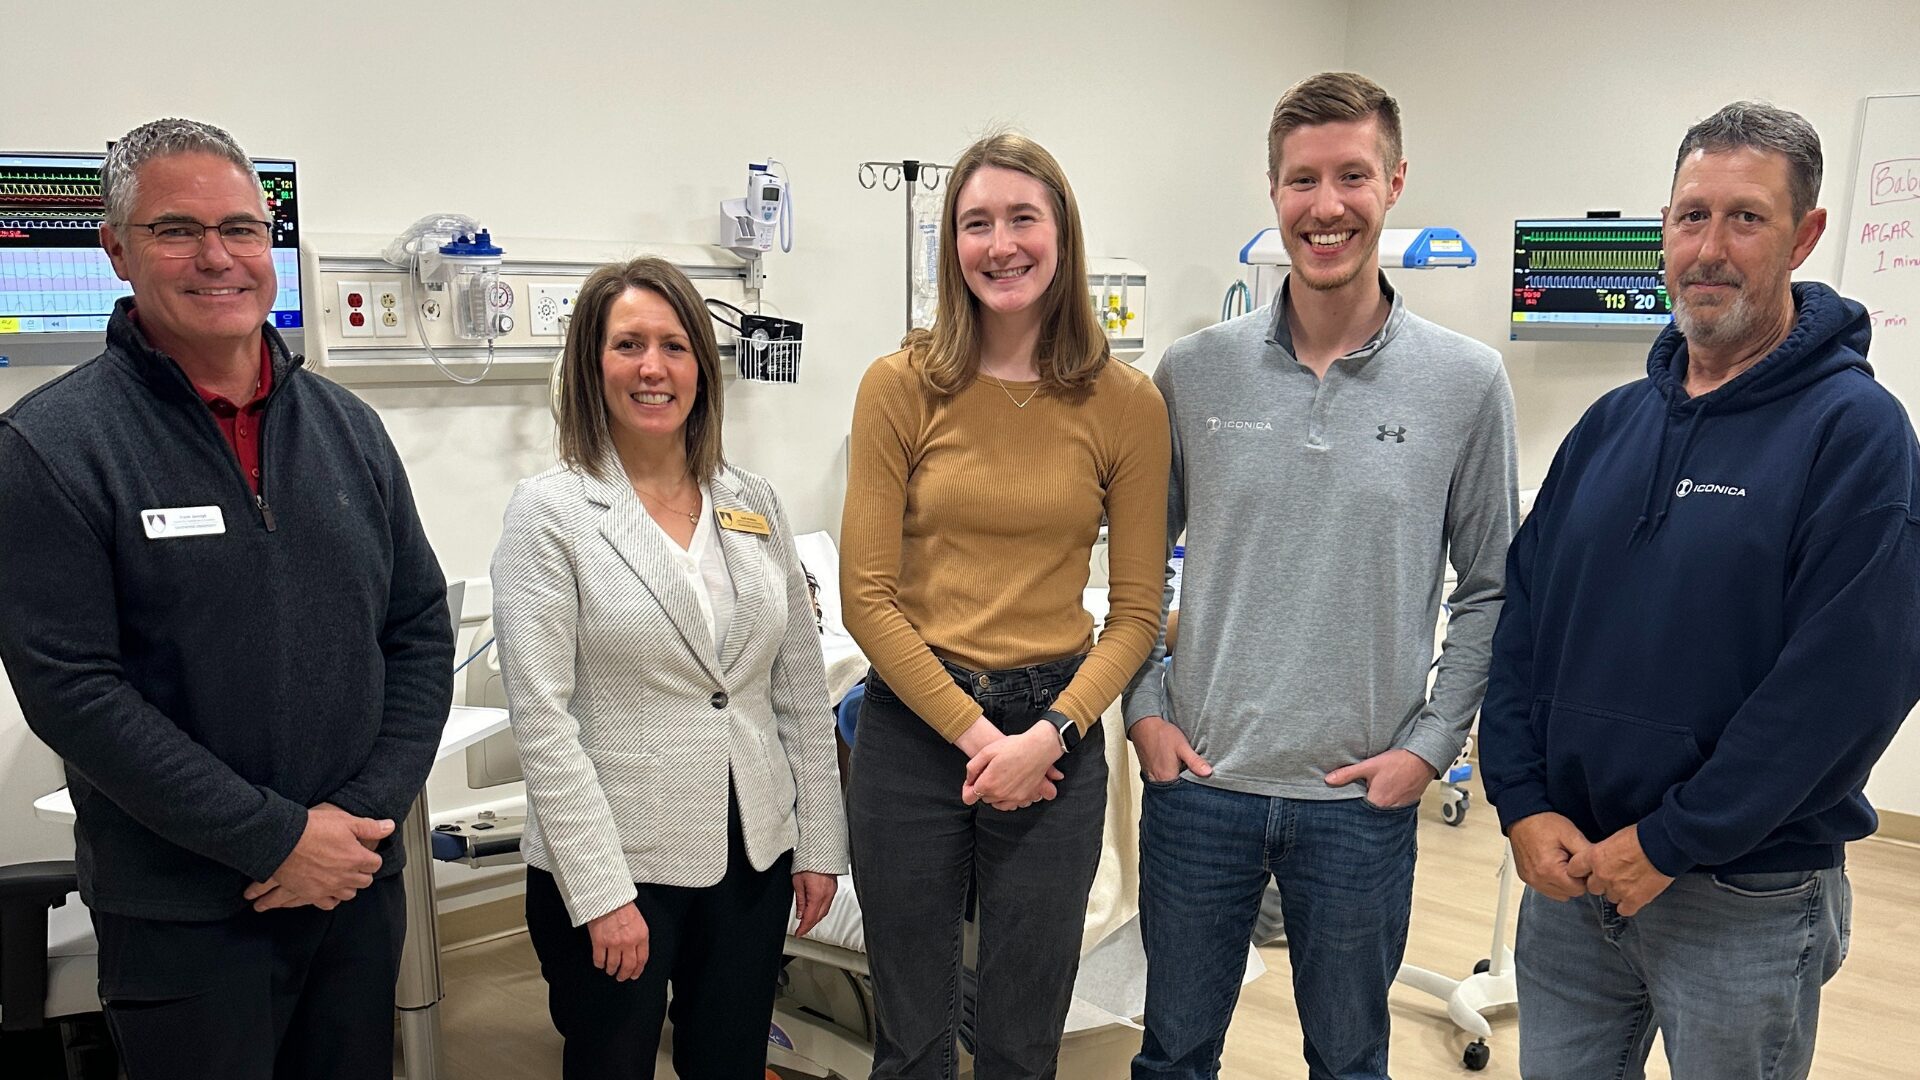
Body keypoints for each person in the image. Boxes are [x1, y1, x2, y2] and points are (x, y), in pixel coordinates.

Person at [0, 118, 454, 1079]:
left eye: (242, 229)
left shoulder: (348, 431)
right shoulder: (52, 447)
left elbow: (416, 630)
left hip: (351, 889)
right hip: (186, 914)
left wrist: (359, 823)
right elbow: (75, 693)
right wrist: (276, 837)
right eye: (177, 230)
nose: (218, 257)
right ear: (116, 249)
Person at [1481, 100, 1920, 1080]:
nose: (1710, 248)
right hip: (1569, 878)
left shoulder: (1857, 436)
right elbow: (1524, 624)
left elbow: (1844, 688)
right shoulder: (1609, 426)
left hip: (1740, 897)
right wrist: (1518, 800)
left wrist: (1673, 839)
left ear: (1804, 235)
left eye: (1746, 218)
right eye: (1691, 216)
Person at [1123, 72, 1518, 1079]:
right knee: (1171, 1053)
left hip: (1360, 800)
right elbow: (1129, 564)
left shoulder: (1466, 384)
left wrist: (1430, 746)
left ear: (1393, 184)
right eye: (1303, 180)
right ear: (1273, 193)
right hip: (1200, 787)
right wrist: (1145, 706)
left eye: (1352, 176)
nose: (1327, 205)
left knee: (1348, 1060)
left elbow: (1490, 586)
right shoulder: (1194, 371)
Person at [839, 132, 1171, 1079]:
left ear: (1062, 234)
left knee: (1025, 1043)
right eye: (975, 223)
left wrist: (1050, 734)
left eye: (1023, 218)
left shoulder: (1124, 403)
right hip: (915, 731)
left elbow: (1138, 613)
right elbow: (866, 597)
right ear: (952, 246)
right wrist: (983, 740)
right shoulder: (900, 386)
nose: (1001, 244)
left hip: (1054, 739)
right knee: (911, 1040)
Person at [491, 256, 847, 1080]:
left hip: (750, 853)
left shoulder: (752, 500)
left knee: (728, 1061)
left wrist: (819, 842)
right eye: (628, 345)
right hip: (617, 860)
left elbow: (795, 683)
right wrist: (601, 892)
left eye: (675, 346)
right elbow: (543, 723)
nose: (653, 367)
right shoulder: (551, 513)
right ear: (591, 364)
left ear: (703, 368)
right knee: (612, 1062)